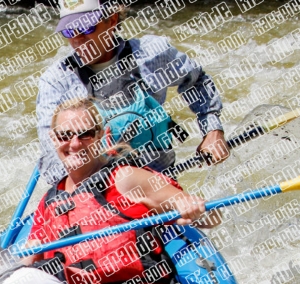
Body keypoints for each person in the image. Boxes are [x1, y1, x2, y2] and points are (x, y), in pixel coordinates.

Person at [29, 98, 221, 284]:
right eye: (65, 135)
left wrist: (190, 206)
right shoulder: (49, 203)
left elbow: (210, 216)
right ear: (53, 138)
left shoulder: (125, 178)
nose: (74, 144)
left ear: (101, 135)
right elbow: (27, 269)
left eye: (85, 134)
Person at [36, 0, 229, 183]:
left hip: (159, 181)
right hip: (95, 195)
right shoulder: (55, 82)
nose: (78, 39)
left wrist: (212, 130)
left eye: (87, 28)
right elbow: (52, 151)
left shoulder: (153, 53)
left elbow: (197, 80)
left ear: (111, 20)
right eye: (69, 31)